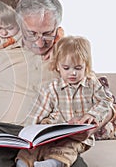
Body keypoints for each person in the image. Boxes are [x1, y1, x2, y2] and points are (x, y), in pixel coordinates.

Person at [0, 0, 113, 167]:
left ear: (58, 27)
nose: (40, 42)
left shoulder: (68, 53)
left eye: (47, 34)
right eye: (32, 33)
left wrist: (91, 126)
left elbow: (104, 102)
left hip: (49, 134)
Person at [15, 36, 114, 167]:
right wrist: (29, 133)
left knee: (67, 149)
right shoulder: (51, 88)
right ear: (58, 67)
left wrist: (93, 115)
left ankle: (52, 164)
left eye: (78, 68)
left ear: (86, 66)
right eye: (66, 68)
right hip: (52, 134)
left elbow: (106, 100)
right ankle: (23, 163)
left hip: (76, 137)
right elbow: (37, 112)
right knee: (32, 149)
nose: (72, 73)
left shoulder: (92, 83)